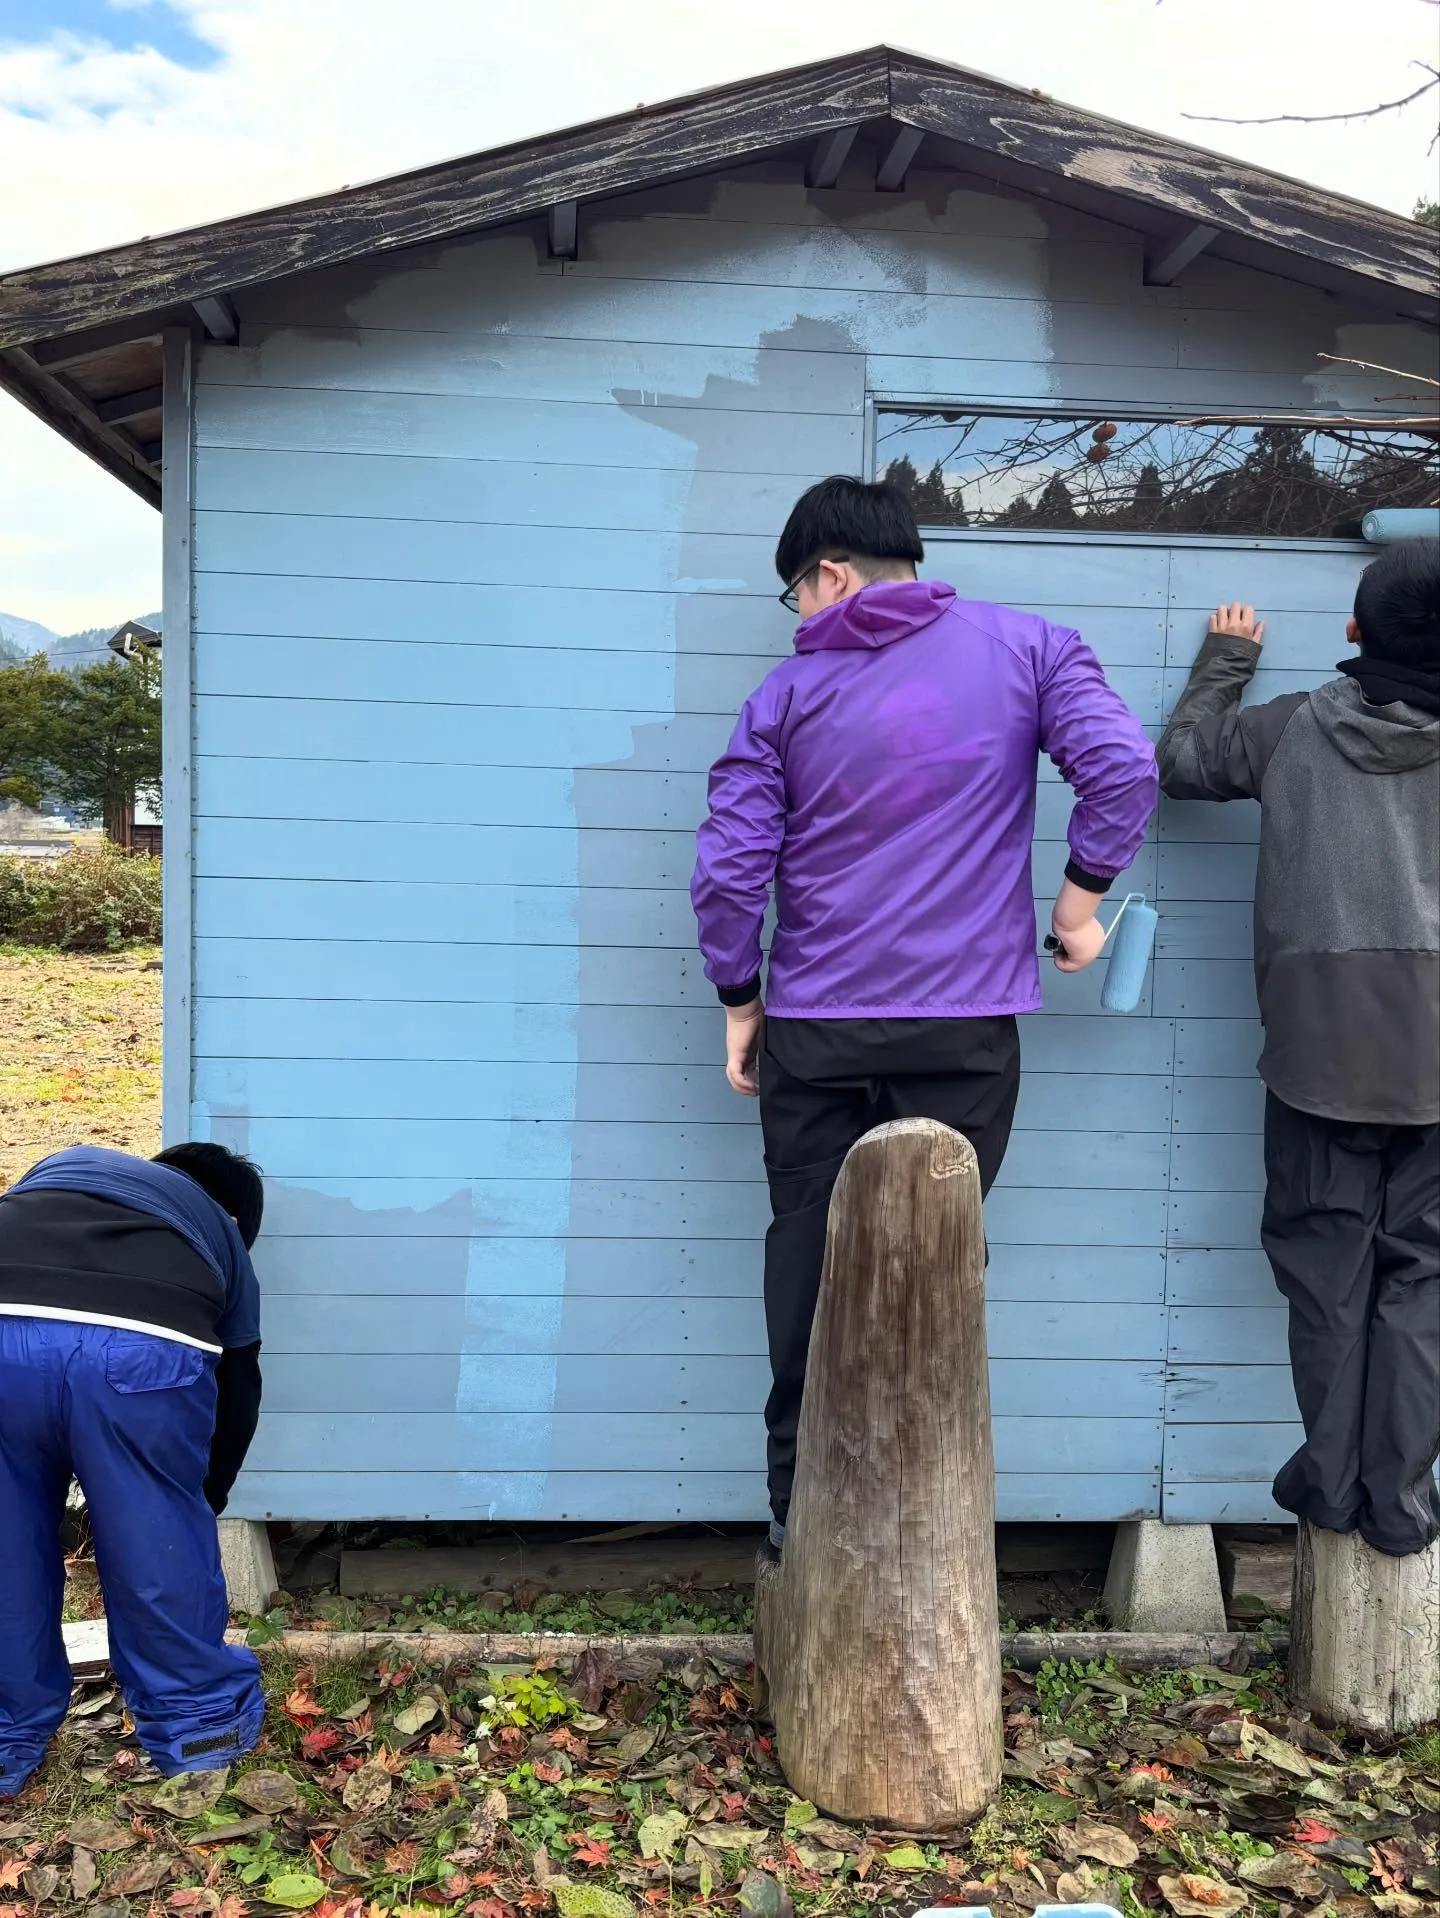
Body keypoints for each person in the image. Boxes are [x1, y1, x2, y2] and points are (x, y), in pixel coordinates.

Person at [691, 476, 1158, 1548]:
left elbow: (727, 873)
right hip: (966, 1032)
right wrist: (1078, 912)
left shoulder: (786, 699)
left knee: (811, 1264)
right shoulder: (1032, 649)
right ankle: (925, 1526)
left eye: (795, 596)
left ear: (832, 573)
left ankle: (801, 1522)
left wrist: (739, 1000)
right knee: (936, 1266)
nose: (799, 620)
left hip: (817, 1030)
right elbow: (1122, 770)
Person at [1157, 543, 1440, 1559]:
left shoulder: (1289, 730)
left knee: (1328, 1276)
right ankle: (1401, 1503)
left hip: (1318, 1060)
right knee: (1422, 1283)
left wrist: (1225, 663)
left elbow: (1181, 763)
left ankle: (1325, 1483)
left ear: (1356, 631)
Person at [0, 1142, 268, 1797]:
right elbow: (239, 1387)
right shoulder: (216, 1232)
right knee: (156, 1542)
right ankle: (198, 1729)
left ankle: (6, 1735)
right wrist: (200, 1495)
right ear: (234, 1219)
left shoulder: (61, 1166)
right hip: (143, 1342)